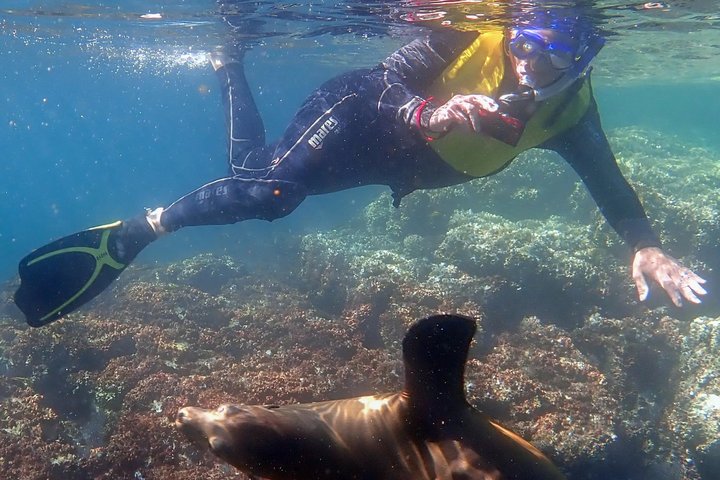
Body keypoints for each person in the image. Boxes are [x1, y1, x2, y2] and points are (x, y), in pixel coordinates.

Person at [14, 16, 706, 327]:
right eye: (524, 37)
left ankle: (231, 64)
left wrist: (643, 242)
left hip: (394, 168)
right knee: (268, 192)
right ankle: (142, 230)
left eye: (552, 50)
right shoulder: (468, 31)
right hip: (361, 115)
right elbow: (385, 78)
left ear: (586, 55)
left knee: (256, 178)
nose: (528, 60)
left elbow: (610, 185)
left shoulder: (570, 118)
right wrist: (423, 116)